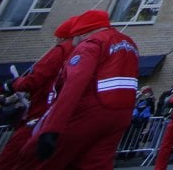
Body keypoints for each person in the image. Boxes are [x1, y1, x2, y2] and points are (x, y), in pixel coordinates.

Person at [23, 9, 139, 168]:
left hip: (89, 111)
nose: (73, 44)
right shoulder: (128, 43)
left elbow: (74, 85)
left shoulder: (92, 43)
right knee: (96, 163)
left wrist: (52, 127)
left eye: (74, 39)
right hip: (121, 115)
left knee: (42, 160)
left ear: (82, 33)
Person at [0, 16, 76, 170]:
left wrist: (14, 84)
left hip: (42, 111)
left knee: (15, 155)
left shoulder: (62, 50)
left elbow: (36, 78)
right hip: (63, 113)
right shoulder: (85, 50)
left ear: (61, 36)